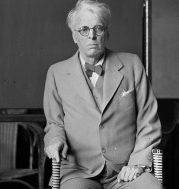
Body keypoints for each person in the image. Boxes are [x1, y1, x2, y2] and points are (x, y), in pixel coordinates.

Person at [43, 0, 162, 188]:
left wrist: (136, 163)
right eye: (84, 29)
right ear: (74, 35)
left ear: (106, 33)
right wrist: (55, 140)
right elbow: (54, 123)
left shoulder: (132, 65)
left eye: (98, 28)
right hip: (78, 172)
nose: (91, 36)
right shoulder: (57, 73)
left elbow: (149, 122)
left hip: (125, 170)